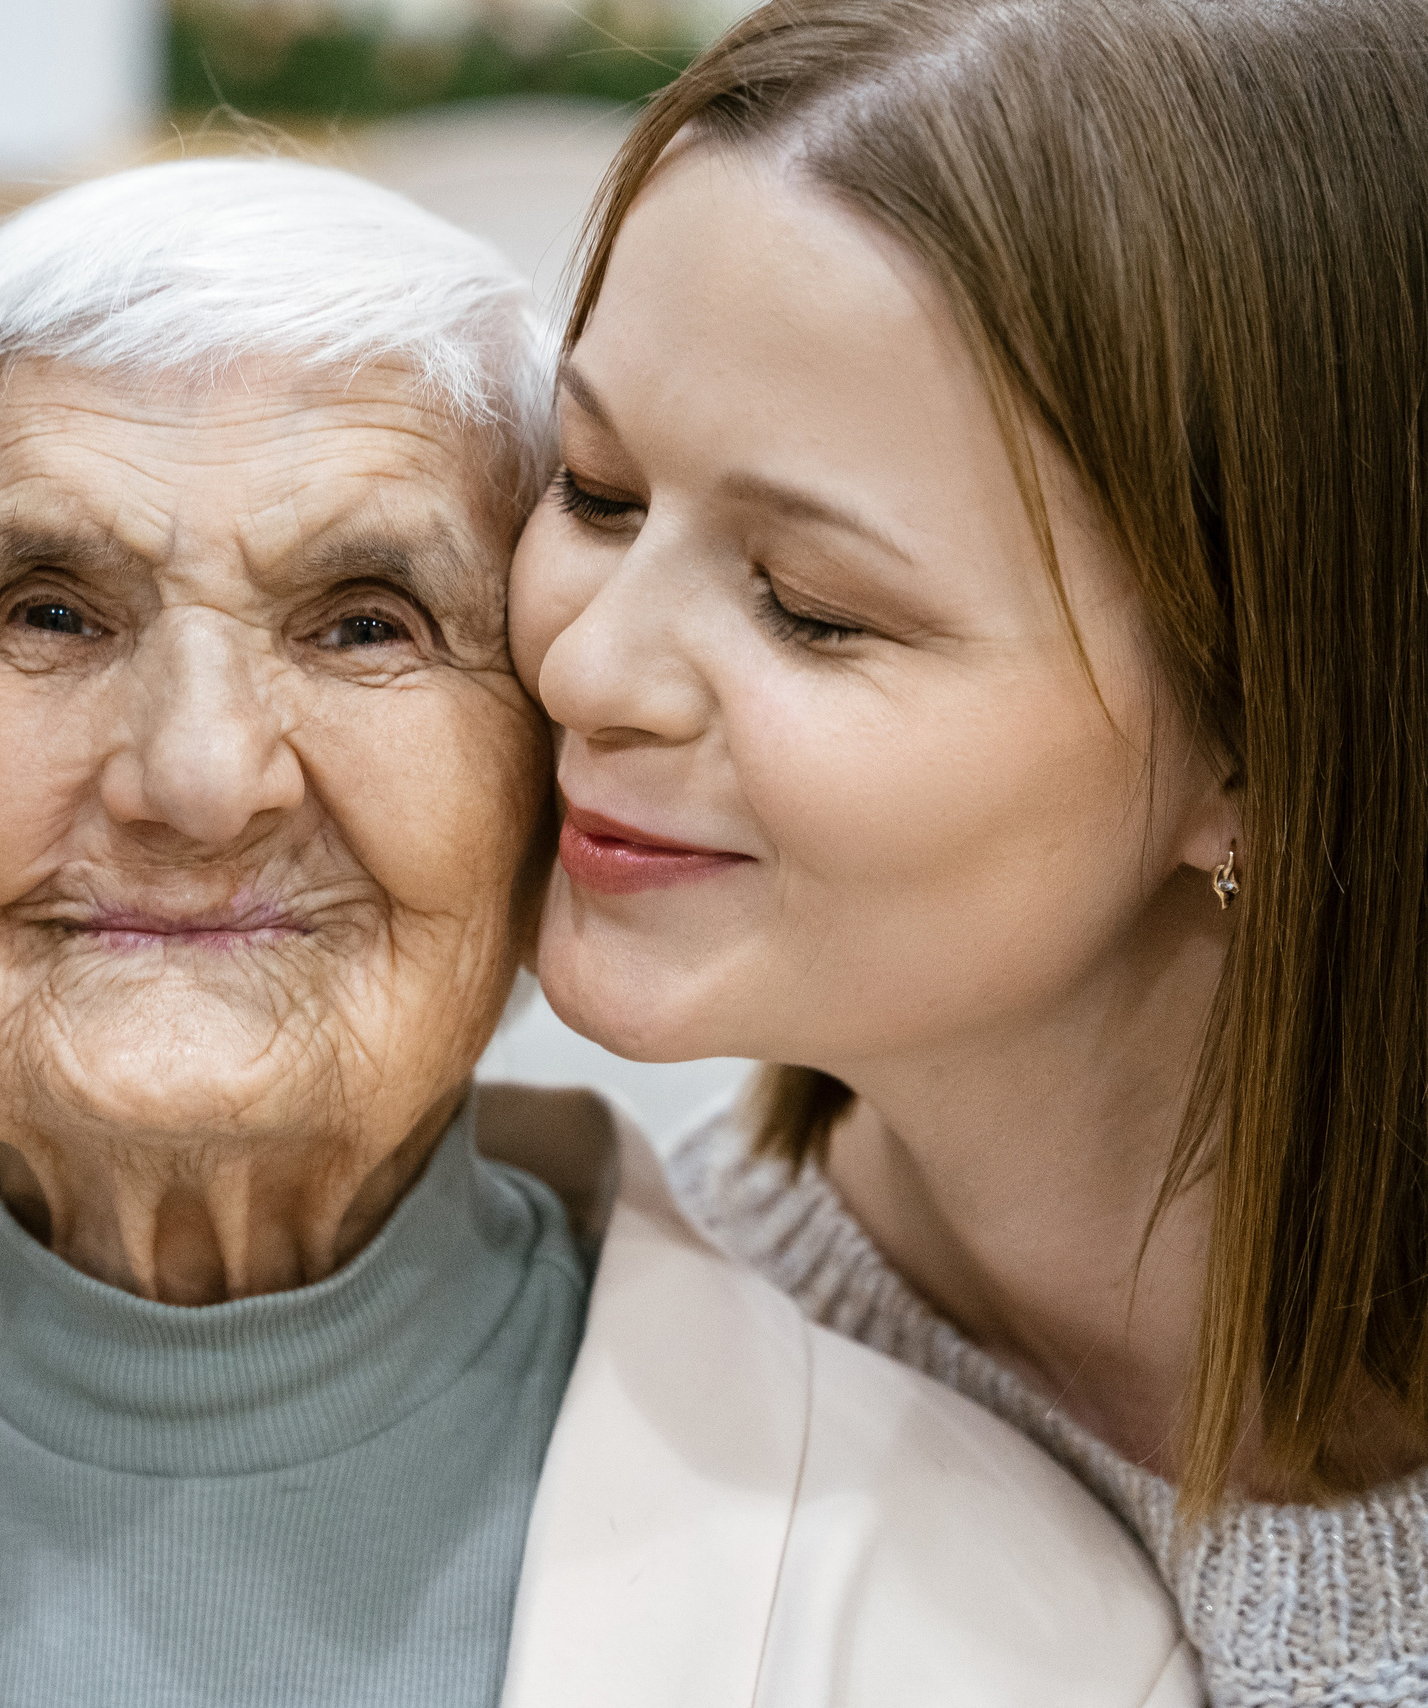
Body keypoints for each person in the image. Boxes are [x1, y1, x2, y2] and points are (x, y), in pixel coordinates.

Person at [0, 159, 1195, 1708]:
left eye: (367, 625)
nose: (195, 776)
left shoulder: (993, 1618)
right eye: (46, 610)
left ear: (551, 773)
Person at [507, 2, 1428, 1704]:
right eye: (595, 490)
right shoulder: (596, 1354)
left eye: (815, 609)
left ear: (1265, 755)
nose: (583, 667)